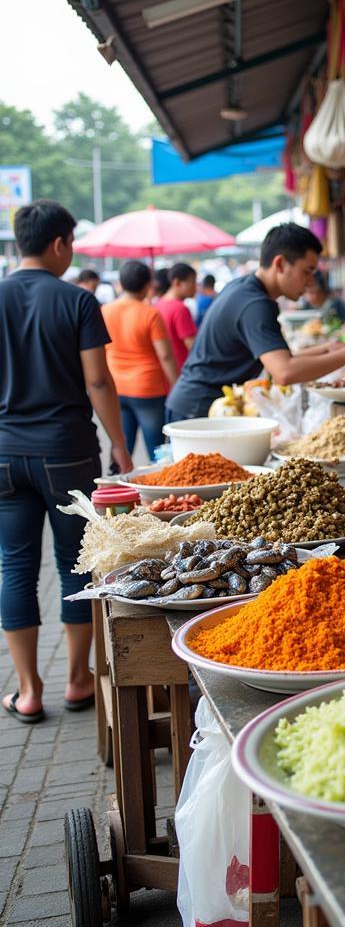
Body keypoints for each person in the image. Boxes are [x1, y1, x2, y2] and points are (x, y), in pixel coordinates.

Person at [0, 201, 132, 723]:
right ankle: (78, 680)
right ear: (58, 243)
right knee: (75, 564)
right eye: (72, 243)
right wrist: (120, 443)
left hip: (6, 454)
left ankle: (29, 692)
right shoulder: (77, 301)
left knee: (15, 567)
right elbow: (98, 380)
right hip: (68, 451)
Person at [166, 224, 345, 420]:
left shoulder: (245, 288)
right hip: (198, 408)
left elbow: (279, 359)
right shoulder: (255, 304)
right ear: (280, 264)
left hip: (195, 402)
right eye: (306, 271)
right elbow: (284, 371)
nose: (310, 282)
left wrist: (328, 349)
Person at [102, 262, 179, 462]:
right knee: (157, 452)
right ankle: (157, 492)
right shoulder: (150, 313)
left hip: (117, 387)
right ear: (148, 285)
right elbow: (165, 355)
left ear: (121, 283)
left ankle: (119, 488)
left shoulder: (105, 311)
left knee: (121, 447)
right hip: (148, 389)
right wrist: (175, 385)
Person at [155, 262, 198, 370]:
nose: (195, 287)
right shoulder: (180, 309)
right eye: (192, 281)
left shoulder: (157, 304)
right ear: (177, 283)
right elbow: (194, 348)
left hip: (166, 371)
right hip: (182, 371)